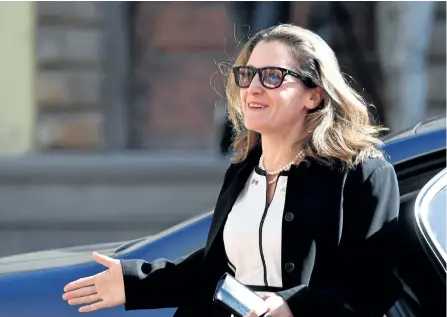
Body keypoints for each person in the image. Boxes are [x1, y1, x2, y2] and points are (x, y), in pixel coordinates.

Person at [62, 24, 402, 317]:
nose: (252, 87)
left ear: (312, 96)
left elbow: (375, 288)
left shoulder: (362, 174)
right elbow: (214, 272)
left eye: (272, 76)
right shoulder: (244, 171)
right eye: (247, 74)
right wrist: (134, 281)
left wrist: (293, 306)